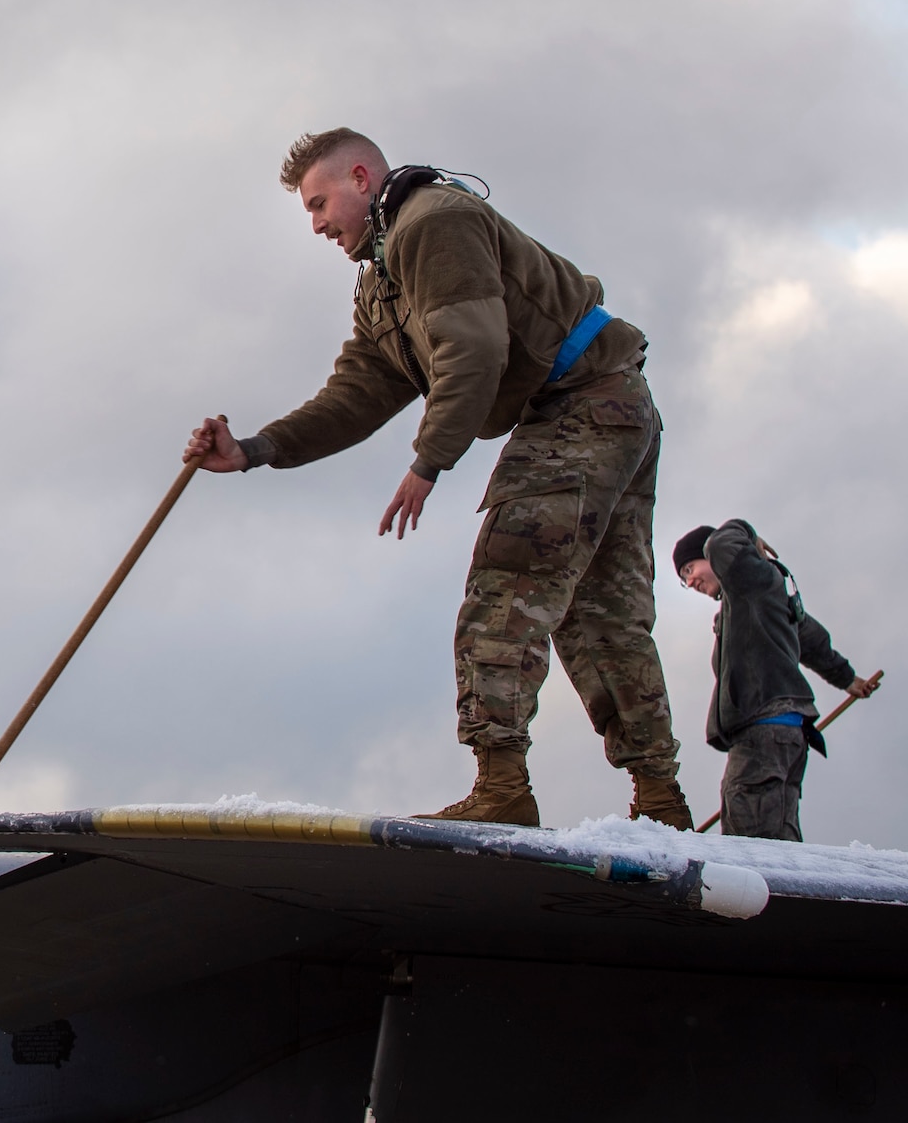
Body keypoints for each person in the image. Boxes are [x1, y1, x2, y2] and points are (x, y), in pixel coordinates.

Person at [184, 128, 693, 828]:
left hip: (585, 404)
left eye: (319, 202)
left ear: (361, 177)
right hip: (613, 407)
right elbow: (357, 393)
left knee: (506, 586)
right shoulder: (382, 282)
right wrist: (254, 448)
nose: (317, 224)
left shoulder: (434, 223)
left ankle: (503, 788)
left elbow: (475, 350)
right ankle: (661, 799)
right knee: (598, 611)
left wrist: (429, 460)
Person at [673, 521, 879, 840]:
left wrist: (746, 533)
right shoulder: (754, 599)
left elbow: (722, 543)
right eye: (684, 579)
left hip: (762, 731)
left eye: (689, 568)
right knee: (778, 842)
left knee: (751, 848)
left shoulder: (749, 579)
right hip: (783, 735)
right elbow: (808, 637)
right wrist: (848, 679)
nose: (690, 581)